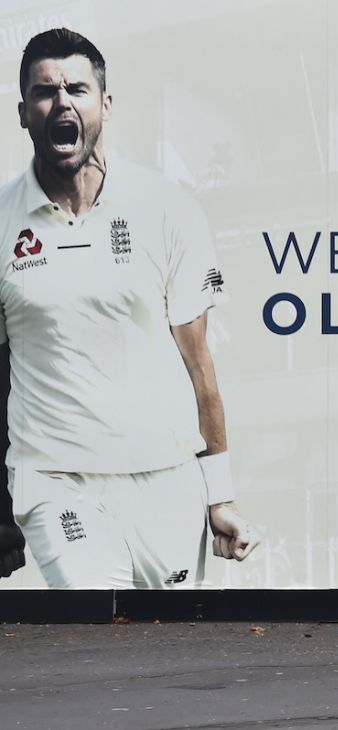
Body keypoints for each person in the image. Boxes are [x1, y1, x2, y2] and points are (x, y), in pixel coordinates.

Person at [0, 28, 258, 588]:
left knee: (166, 654)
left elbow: (200, 368)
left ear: (105, 105)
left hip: (165, 480)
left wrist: (221, 495)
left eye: (77, 88)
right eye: (45, 92)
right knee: (94, 617)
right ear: (23, 113)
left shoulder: (166, 208)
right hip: (55, 480)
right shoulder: (1, 221)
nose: (62, 103)